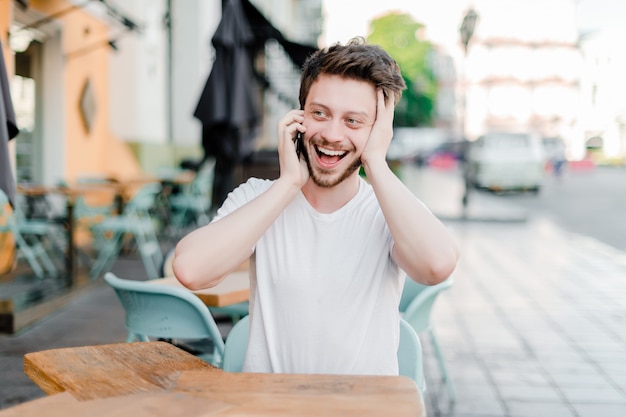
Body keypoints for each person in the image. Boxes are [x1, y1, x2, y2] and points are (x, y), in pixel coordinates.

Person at [173, 37, 459, 376]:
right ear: (299, 115)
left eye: (353, 121)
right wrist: (288, 183)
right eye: (320, 114)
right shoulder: (258, 197)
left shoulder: (389, 210)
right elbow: (191, 271)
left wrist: (377, 162)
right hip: (270, 407)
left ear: (378, 131)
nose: (333, 135)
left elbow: (437, 266)